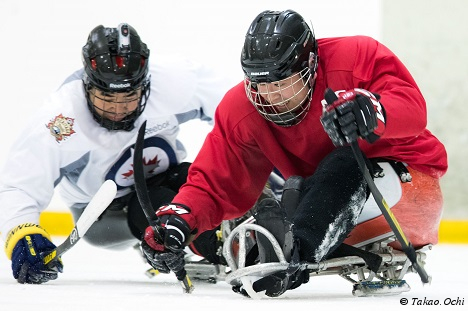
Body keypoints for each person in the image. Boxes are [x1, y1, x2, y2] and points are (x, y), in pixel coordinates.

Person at [140, 9, 448, 297]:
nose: (271, 97)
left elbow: (412, 106)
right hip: (328, 205)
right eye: (259, 84)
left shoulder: (355, 57)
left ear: (311, 67)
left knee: (342, 162)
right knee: (281, 195)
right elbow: (216, 181)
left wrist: (372, 110)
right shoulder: (241, 110)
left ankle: (292, 254)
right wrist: (180, 220)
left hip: (409, 190)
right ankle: (266, 248)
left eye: (282, 83)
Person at [0, 23, 237, 284]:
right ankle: (220, 247)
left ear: (145, 84)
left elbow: (241, 116)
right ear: (87, 86)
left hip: (169, 178)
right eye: (106, 96)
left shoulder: (176, 79)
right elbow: (19, 186)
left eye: (129, 96)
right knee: (161, 202)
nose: (118, 109)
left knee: (200, 180)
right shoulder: (61, 120)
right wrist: (23, 235)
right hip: (105, 217)